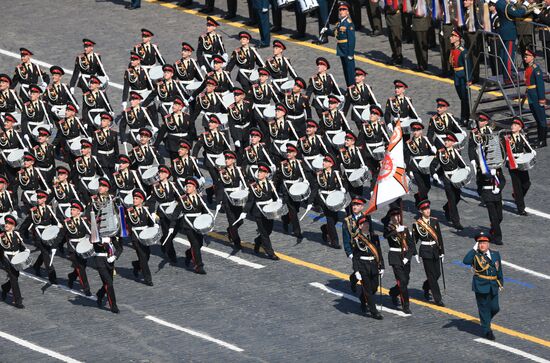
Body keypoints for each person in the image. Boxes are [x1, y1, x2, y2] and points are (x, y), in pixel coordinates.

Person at [463, 232, 503, 341]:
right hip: (480, 285)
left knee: (495, 308)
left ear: (488, 244)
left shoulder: (495, 254)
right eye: (480, 243)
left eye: (484, 242)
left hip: (493, 285)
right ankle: (487, 331)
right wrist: (473, 249)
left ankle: (485, 321)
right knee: (484, 308)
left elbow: (499, 270)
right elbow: (465, 261)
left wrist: (500, 282)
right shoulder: (475, 255)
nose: (482, 245)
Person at [342, 214, 384, 319]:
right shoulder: (356, 239)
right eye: (363, 224)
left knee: (374, 287)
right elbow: (356, 257)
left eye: (367, 223)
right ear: (359, 226)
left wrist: (382, 266)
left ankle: (362, 298)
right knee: (368, 289)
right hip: (363, 266)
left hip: (373, 265)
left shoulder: (375, 237)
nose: (366, 225)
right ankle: (374, 312)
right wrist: (356, 271)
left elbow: (379, 252)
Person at [412, 198, 445, 306]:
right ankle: (437, 298)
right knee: (431, 275)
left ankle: (426, 286)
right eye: (425, 209)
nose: (428, 211)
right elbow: (414, 240)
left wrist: (442, 252)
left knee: (437, 274)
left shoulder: (434, 221)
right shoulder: (417, 224)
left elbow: (439, 237)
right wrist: (415, 253)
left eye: (428, 208)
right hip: (425, 251)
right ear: (421, 211)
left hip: (435, 250)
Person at [383, 205, 415, 314]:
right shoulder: (389, 228)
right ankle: (405, 305)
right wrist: (396, 230)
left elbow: (411, 245)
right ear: (391, 217)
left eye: (398, 215)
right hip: (395, 257)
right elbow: (385, 235)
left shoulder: (405, 228)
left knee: (406, 280)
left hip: (405, 257)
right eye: (394, 216)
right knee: (402, 281)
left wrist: (408, 257)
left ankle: (393, 292)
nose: (396, 218)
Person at [321, 2, 356, 87]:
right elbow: (335, 33)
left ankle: (352, 88)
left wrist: (351, 54)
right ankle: (348, 87)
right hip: (341, 50)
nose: (341, 11)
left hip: (347, 50)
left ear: (348, 12)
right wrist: (326, 30)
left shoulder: (349, 24)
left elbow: (352, 40)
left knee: (350, 71)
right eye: (340, 10)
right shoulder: (340, 23)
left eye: (344, 9)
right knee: (345, 70)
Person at [505, 117, 532, 215]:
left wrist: (532, 153)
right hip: (512, 162)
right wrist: (507, 158)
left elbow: (528, 149)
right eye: (513, 124)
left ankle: (517, 197)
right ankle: (521, 208)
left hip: (522, 162)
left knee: (526, 183)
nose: (513, 126)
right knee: (517, 186)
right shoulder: (507, 137)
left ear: (520, 128)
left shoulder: (523, 137)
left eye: (516, 125)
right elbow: (504, 150)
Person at [0, 215, 27, 309]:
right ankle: (18, 301)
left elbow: (22, 245)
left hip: (16, 258)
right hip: (6, 258)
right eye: (6, 223)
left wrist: (26, 250)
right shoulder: (1, 235)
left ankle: (5, 288)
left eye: (9, 223)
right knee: (13, 278)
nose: (6, 225)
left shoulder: (16, 234)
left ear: (13, 226)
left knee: (15, 276)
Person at [495, 0, 526, 79]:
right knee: (509, 55)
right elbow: (518, 13)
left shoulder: (499, 3)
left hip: (503, 31)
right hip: (509, 32)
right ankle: (508, 75)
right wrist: (524, 7)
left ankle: (505, 73)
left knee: (503, 54)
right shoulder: (506, 5)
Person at [523, 48, 547, 148]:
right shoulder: (528, 68)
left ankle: (543, 140)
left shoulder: (536, 69)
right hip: (531, 96)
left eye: (527, 56)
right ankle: (540, 138)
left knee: (541, 120)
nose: (525, 58)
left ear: (532, 57)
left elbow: (540, 85)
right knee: (537, 119)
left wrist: (542, 99)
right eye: (524, 56)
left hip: (537, 97)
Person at [449, 30, 472, 124]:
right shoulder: (453, 49)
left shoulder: (463, 51)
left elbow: (468, 65)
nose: (451, 37)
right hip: (456, 76)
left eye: (453, 36)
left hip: (462, 75)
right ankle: (464, 117)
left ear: (458, 38)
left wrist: (469, 78)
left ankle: (465, 117)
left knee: (464, 98)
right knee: (461, 97)